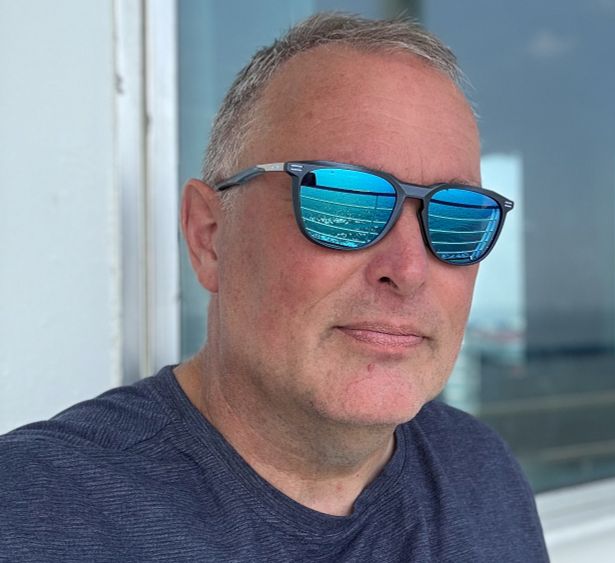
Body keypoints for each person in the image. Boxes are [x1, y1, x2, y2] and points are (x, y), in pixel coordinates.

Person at [0, 12, 548, 562]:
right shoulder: (33, 515)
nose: (408, 270)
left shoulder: (480, 474)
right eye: (343, 204)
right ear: (209, 236)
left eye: (458, 217)